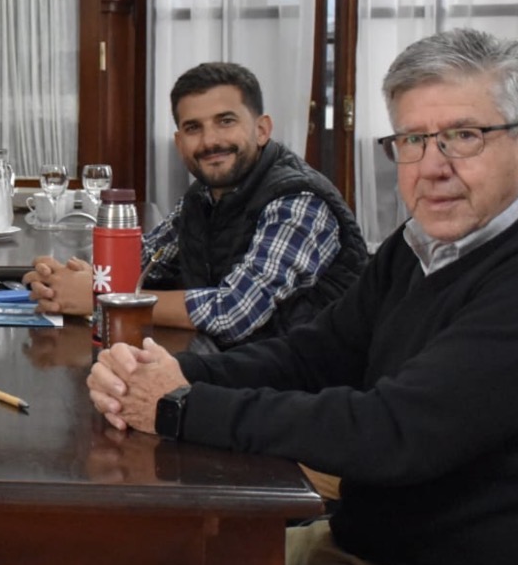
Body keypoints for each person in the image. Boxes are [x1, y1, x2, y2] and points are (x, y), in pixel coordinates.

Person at [87, 29, 518, 565]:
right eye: (412, 140)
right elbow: (311, 356)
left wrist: (180, 406)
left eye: (463, 136)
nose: (432, 166)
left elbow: (392, 431)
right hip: (367, 551)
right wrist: (171, 371)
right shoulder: (422, 244)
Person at [25, 61, 367, 350]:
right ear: (179, 142)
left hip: (303, 391)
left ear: (262, 129)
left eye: (226, 121)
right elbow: (144, 262)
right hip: (228, 370)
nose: (210, 141)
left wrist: (103, 297)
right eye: (193, 128)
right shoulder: (204, 195)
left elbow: (233, 311)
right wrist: (62, 280)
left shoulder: (298, 200)